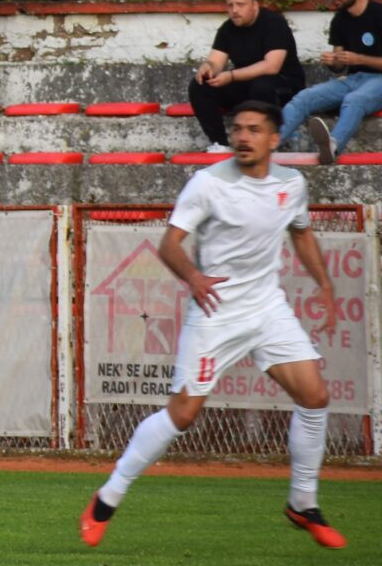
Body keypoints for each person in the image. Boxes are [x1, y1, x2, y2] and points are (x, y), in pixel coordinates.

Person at [81, 102, 345, 550]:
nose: (243, 137)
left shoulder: (291, 184)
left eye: (254, 130)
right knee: (183, 414)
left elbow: (300, 232)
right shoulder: (208, 183)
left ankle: (303, 503)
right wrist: (195, 277)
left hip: (267, 307)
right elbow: (170, 243)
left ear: (273, 139)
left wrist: (323, 284)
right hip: (217, 310)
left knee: (315, 396)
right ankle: (108, 496)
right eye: (238, 129)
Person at [277, 0, 382, 164]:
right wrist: (332, 61)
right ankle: (267, 145)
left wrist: (359, 59)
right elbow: (339, 67)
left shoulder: (379, 14)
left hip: (378, 80)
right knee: (304, 98)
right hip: (353, 78)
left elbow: (354, 60)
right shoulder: (340, 20)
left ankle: (332, 146)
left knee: (355, 100)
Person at [186, 0, 304, 147]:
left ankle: (269, 143)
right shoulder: (227, 28)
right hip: (248, 86)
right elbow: (216, 61)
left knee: (262, 85)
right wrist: (208, 67)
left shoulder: (273, 23)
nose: (234, 10)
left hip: (283, 85)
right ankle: (220, 145)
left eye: (240, 5)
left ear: (254, 5)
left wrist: (231, 75)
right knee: (200, 86)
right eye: (230, 5)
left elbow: (272, 67)